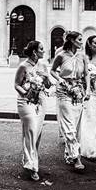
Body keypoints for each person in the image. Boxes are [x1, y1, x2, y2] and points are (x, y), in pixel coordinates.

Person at [50, 31, 90, 170]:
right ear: (72, 41)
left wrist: (88, 90)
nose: (81, 41)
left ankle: (69, 154)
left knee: (76, 126)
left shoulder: (83, 56)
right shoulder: (61, 55)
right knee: (69, 126)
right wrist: (61, 81)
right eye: (79, 39)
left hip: (78, 91)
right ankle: (77, 157)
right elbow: (53, 70)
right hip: (63, 92)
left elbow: (86, 74)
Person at [14, 40, 51, 181]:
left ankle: (29, 156)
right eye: (41, 48)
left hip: (40, 101)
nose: (44, 51)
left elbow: (47, 86)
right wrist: (26, 93)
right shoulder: (23, 66)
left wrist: (47, 77)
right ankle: (32, 166)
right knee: (30, 130)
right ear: (35, 51)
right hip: (25, 101)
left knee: (37, 132)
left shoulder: (43, 65)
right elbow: (16, 85)